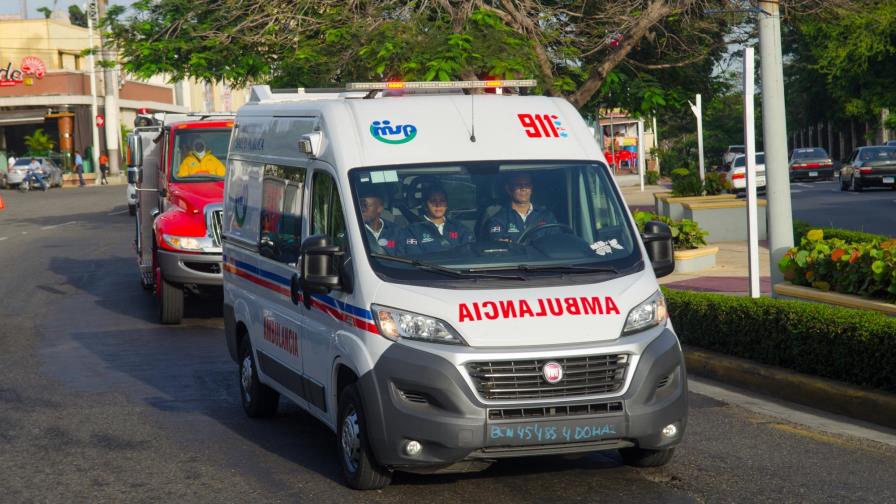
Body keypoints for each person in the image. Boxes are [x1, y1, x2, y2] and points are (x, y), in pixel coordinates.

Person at [486, 172, 558, 243]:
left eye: (527, 185)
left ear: (531, 188)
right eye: (518, 185)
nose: (523, 188)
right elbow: (497, 246)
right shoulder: (499, 219)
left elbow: (556, 243)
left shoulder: (546, 216)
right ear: (509, 189)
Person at [401, 184, 473, 254]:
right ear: (425, 205)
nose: (438, 205)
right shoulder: (412, 231)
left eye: (442, 201)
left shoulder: (460, 229)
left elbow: (470, 255)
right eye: (433, 201)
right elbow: (415, 259)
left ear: (446, 205)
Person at [359, 189, 403, 255]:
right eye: (360, 205)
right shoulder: (355, 230)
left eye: (365, 205)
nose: (362, 209)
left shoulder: (396, 231)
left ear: (380, 208)